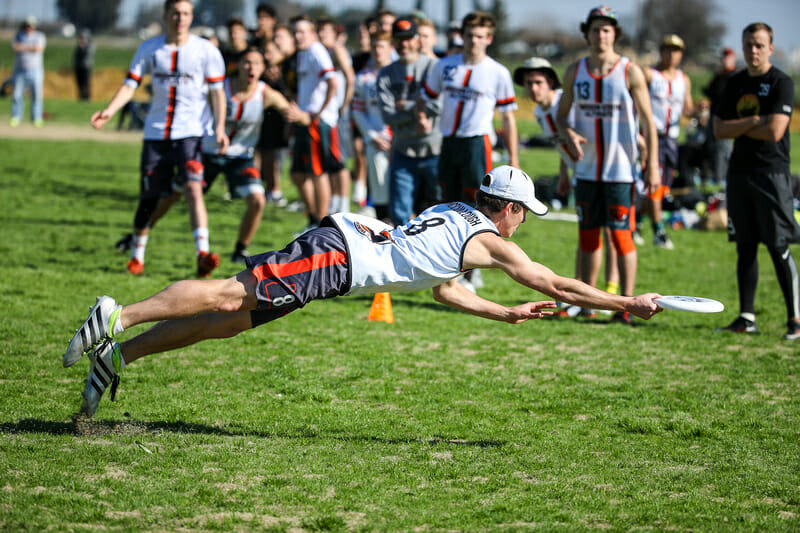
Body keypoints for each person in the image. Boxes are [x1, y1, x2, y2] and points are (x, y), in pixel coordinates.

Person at [61, 165, 664, 418]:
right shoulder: (492, 240)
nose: (522, 223)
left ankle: (118, 356)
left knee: (231, 321)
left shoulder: (457, 213)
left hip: (340, 253)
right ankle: (119, 314)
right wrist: (625, 303)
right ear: (506, 208)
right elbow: (556, 281)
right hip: (338, 255)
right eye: (523, 213)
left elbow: (443, 290)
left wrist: (501, 311)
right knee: (226, 295)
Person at [90, 0, 229, 277]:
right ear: (166, 15)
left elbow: (217, 94)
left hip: (189, 135)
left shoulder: (206, 51)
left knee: (193, 188)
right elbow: (131, 84)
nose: (181, 18)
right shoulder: (149, 48)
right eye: (176, 13)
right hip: (155, 135)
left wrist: (221, 127)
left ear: (192, 17)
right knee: (149, 197)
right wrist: (109, 110)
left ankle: (203, 253)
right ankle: (136, 256)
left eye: (186, 13)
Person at [555, 5, 659, 325]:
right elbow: (560, 117)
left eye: (607, 29)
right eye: (596, 29)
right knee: (588, 237)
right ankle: (587, 301)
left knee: (621, 237)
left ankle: (627, 306)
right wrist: (568, 133)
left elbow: (649, 123)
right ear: (586, 33)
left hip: (620, 172)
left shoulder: (630, 71)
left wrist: (652, 164)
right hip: (586, 171)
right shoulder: (575, 70)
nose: (601, 35)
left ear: (615, 34)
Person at [713, 22, 799, 340]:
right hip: (739, 173)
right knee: (745, 247)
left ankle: (795, 320)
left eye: (760, 45)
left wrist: (740, 125)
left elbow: (775, 131)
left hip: (772, 174)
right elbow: (719, 130)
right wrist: (753, 120)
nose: (753, 50)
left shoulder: (781, 82)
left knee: (778, 246)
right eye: (749, 44)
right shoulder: (734, 83)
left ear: (771, 48)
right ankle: (746, 317)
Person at [514, 56, 618, 318]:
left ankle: (606, 294)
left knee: (611, 234)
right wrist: (564, 172)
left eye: (538, 82)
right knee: (589, 235)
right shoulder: (540, 112)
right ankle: (584, 296)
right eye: (528, 83)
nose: (533, 89)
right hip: (580, 174)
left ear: (551, 82)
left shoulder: (567, 103)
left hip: (604, 171)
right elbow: (562, 145)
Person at [422, 11, 520, 205]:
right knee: (446, 198)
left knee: (477, 199)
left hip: (476, 143)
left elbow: (507, 117)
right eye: (469, 35)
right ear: (462, 36)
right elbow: (425, 96)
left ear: (489, 39)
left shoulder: (498, 72)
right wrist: (421, 117)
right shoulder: (445, 65)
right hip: (449, 141)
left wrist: (513, 157)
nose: (474, 41)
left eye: (479, 36)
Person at [201, 48, 289, 263]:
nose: (251, 68)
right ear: (238, 66)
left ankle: (240, 250)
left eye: (257, 63)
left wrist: (302, 117)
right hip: (208, 153)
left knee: (258, 200)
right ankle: (139, 234)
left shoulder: (265, 93)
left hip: (241, 158)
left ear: (263, 69)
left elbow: (290, 111)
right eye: (247, 62)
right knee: (175, 194)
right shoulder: (218, 88)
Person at [377, 17, 442, 227]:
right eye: (399, 39)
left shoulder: (434, 67)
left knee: (438, 209)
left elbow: (439, 105)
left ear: (417, 40)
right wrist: (420, 110)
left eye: (408, 39)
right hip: (403, 150)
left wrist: (404, 105)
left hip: (435, 149)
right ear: (393, 42)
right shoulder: (386, 74)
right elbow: (388, 115)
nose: (404, 44)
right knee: (399, 213)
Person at [285, 15, 342, 235]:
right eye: (295, 32)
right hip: (303, 118)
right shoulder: (302, 54)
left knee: (318, 173)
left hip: (316, 121)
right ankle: (313, 218)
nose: (298, 36)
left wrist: (317, 114)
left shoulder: (317, 51)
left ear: (312, 33)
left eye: (302, 32)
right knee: (298, 173)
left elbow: (333, 82)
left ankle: (323, 225)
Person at [640, 34, 695, 250]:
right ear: (661, 52)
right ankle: (659, 231)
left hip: (672, 139)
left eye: (676, 50)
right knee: (655, 185)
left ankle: (636, 222)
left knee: (662, 188)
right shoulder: (650, 75)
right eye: (668, 50)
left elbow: (686, 109)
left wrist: (697, 111)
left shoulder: (684, 79)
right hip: (652, 137)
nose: (671, 55)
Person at [352, 30, 394, 222]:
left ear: (390, 48)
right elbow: (358, 111)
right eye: (374, 46)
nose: (378, 51)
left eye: (382, 46)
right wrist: (371, 135)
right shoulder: (363, 78)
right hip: (376, 141)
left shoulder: (400, 74)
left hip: (401, 141)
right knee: (379, 188)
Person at [318, 18, 356, 214]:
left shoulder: (337, 50)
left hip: (339, 112)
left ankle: (343, 202)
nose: (322, 34)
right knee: (331, 160)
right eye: (320, 31)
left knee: (339, 160)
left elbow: (350, 77)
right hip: (331, 112)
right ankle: (336, 200)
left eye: (326, 31)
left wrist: (344, 104)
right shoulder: (321, 52)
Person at [703, 47, 737, 185]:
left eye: (727, 57)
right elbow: (710, 92)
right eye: (723, 57)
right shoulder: (719, 76)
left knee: (723, 148)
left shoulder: (734, 77)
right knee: (712, 147)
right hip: (713, 116)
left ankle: (723, 177)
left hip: (726, 118)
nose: (724, 60)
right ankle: (716, 176)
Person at [10, 16, 46, 127]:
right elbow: (15, 47)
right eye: (27, 25)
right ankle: (16, 117)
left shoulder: (39, 36)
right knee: (17, 94)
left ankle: (36, 118)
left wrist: (23, 47)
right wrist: (30, 47)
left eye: (31, 25)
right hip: (20, 70)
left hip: (36, 70)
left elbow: (38, 48)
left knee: (36, 95)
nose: (28, 27)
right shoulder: (19, 35)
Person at [74, 29, 94, 101]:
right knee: (80, 84)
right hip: (78, 68)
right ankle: (81, 97)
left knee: (86, 84)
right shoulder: (78, 47)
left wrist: (82, 47)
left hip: (86, 68)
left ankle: (87, 98)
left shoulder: (90, 46)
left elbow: (87, 55)